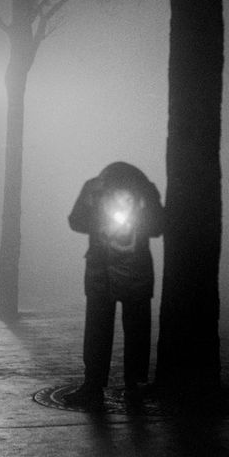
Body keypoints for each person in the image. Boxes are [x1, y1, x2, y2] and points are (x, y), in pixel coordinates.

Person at [65, 162, 164, 405]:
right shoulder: (144, 188)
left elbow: (76, 220)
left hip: (102, 271)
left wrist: (100, 222)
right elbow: (158, 226)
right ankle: (133, 385)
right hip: (134, 271)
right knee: (136, 331)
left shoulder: (94, 187)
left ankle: (93, 385)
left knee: (98, 330)